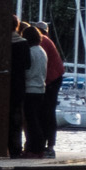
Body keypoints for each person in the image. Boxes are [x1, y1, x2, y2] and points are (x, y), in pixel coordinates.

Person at [34, 23, 65, 157]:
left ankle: (48, 146)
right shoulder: (47, 41)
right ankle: (46, 144)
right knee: (46, 112)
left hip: (51, 79)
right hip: (53, 78)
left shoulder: (42, 42)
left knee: (47, 112)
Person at [22, 24, 50, 156]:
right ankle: (38, 147)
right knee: (36, 119)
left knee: (31, 121)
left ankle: (36, 148)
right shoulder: (42, 51)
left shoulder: (30, 52)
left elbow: (28, 71)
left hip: (30, 89)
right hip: (41, 89)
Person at [7, 22, 33, 158]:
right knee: (16, 117)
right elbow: (27, 64)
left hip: (3, 83)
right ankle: (15, 149)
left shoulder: (1, 41)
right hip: (18, 83)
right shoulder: (23, 43)